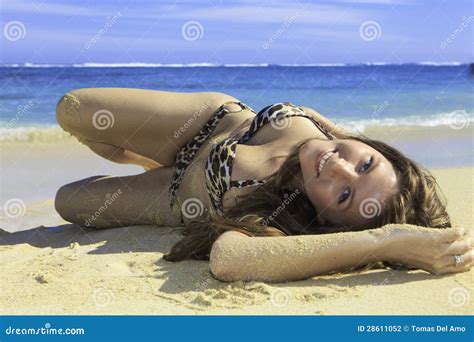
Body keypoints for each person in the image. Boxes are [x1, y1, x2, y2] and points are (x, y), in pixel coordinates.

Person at [54, 88, 473, 282]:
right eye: (365, 162)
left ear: (327, 222)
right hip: (208, 122)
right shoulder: (333, 136)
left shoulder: (280, 214)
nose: (339, 167)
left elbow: (230, 260)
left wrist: (384, 241)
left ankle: (155, 171)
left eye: (344, 195)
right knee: (72, 109)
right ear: (373, 147)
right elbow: (348, 150)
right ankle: (146, 159)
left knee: (67, 201)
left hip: (177, 195)